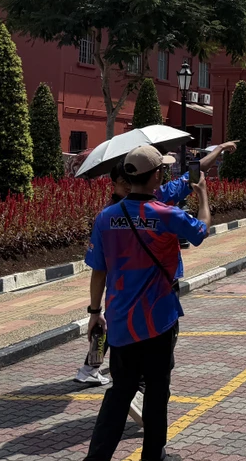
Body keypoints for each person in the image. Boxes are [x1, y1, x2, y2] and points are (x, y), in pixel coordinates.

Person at [73, 145, 211, 461]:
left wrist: (94, 312)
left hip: (120, 322)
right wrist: (203, 196)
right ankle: (152, 460)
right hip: (158, 319)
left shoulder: (106, 218)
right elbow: (201, 231)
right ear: (155, 177)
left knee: (120, 393)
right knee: (157, 389)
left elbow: (98, 270)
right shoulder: (165, 214)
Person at [74, 140, 236, 390]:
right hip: (154, 298)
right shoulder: (155, 206)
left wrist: (218, 150)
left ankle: (96, 370)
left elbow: (192, 173)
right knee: (151, 364)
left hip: (123, 299)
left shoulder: (111, 214)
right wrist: (204, 193)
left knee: (118, 334)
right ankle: (112, 377)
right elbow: (199, 223)